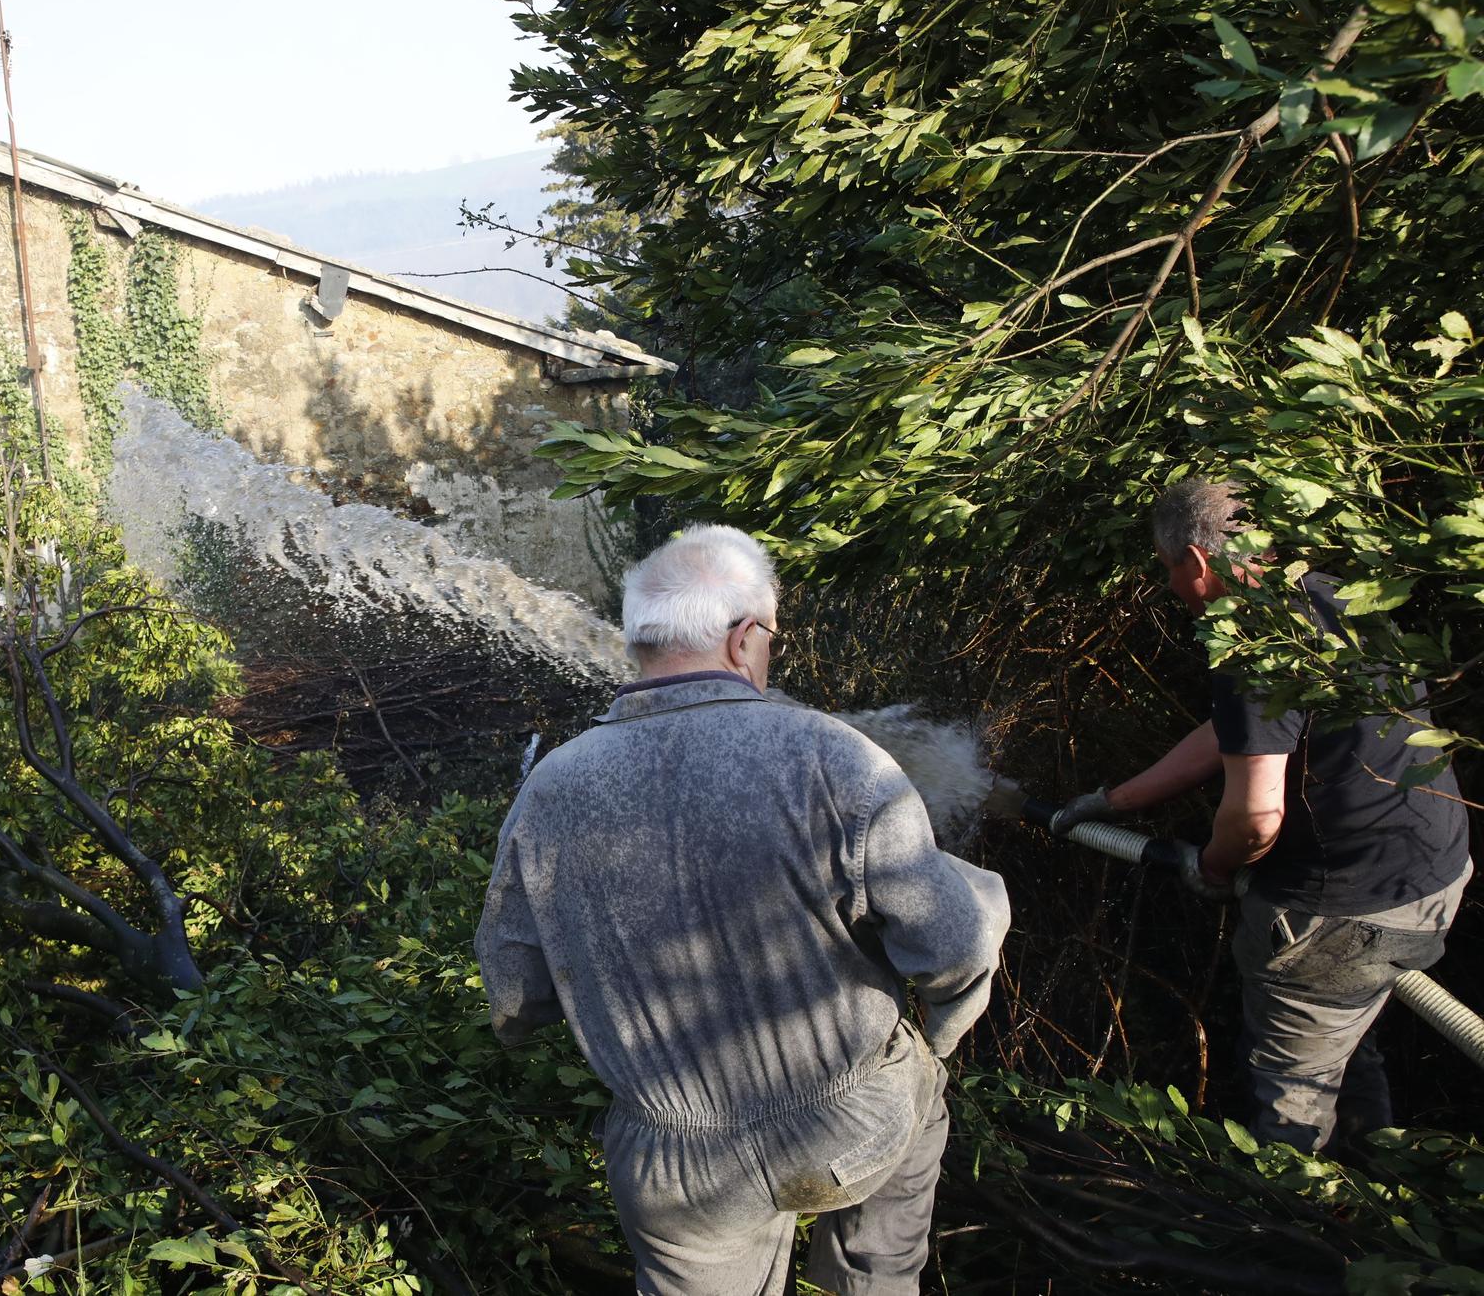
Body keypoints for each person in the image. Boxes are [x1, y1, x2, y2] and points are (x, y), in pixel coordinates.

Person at [475, 525, 1010, 1296]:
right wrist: (950, 1017)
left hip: (679, 1174)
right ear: (742, 638)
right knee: (913, 1112)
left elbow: (513, 996)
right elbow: (954, 942)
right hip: (851, 1127)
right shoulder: (837, 757)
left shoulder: (550, 790)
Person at [1054, 478, 1472, 1154]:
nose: (1173, 588)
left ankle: (1309, 1225)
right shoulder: (1331, 596)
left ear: (1195, 561)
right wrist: (1116, 801)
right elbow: (1236, 735)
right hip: (1434, 874)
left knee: (1291, 1093)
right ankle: (1381, 1171)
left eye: (1168, 571)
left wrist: (1212, 868)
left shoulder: (1251, 644)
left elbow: (1255, 818)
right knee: (1343, 1025)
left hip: (1343, 911)